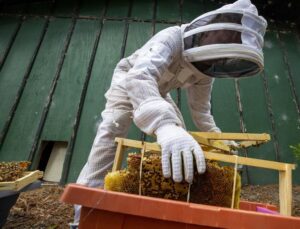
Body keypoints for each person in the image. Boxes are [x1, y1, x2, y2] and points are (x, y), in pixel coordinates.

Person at [74, 0, 267, 223]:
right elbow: (140, 77)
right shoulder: (172, 37)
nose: (223, 54)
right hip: (129, 78)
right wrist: (164, 126)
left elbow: (201, 111)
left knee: (180, 134)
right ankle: (82, 216)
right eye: (226, 38)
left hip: (158, 90)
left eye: (232, 44)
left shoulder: (206, 67)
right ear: (213, 27)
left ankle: (172, 199)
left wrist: (218, 137)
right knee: (111, 131)